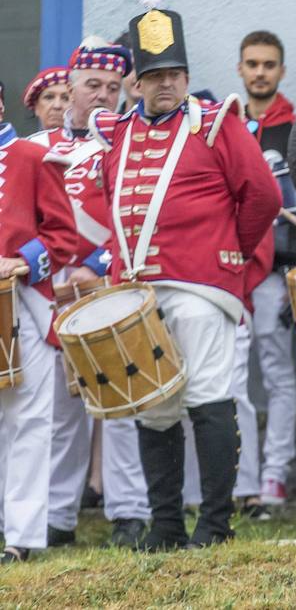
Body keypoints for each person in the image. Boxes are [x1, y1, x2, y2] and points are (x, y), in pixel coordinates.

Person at [91, 0, 281, 550]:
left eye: (173, 75)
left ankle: (216, 524)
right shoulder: (119, 134)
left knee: (208, 398)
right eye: (154, 77)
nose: (165, 85)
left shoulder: (215, 123)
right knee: (155, 409)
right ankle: (167, 525)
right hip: (140, 294)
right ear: (137, 83)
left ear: (188, 77)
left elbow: (264, 197)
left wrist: (230, 257)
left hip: (202, 286)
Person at [27, 38, 151, 549]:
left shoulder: (129, 143)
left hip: (110, 285)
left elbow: (139, 216)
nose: (101, 96)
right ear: (70, 88)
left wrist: (99, 267)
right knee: (59, 413)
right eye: (90, 86)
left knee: (119, 404)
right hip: (50, 293)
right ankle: (57, 516)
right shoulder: (35, 149)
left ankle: (129, 512)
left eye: (111, 87)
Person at [0, 80, 79, 563]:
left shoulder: (30, 158)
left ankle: (22, 536)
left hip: (21, 303)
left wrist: (21, 262)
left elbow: (63, 235)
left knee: (27, 421)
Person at [235, 29, 296, 512]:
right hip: (228, 273)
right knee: (230, 380)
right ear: (240, 69)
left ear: (281, 71)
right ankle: (239, 481)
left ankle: (274, 478)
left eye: (269, 64)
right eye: (252, 63)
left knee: (278, 376)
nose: (260, 72)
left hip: (276, 276)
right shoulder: (224, 128)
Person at [23, 67, 71, 133]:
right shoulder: (25, 143)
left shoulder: (88, 143)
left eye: (66, 98)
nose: (57, 106)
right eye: (49, 97)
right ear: (36, 107)